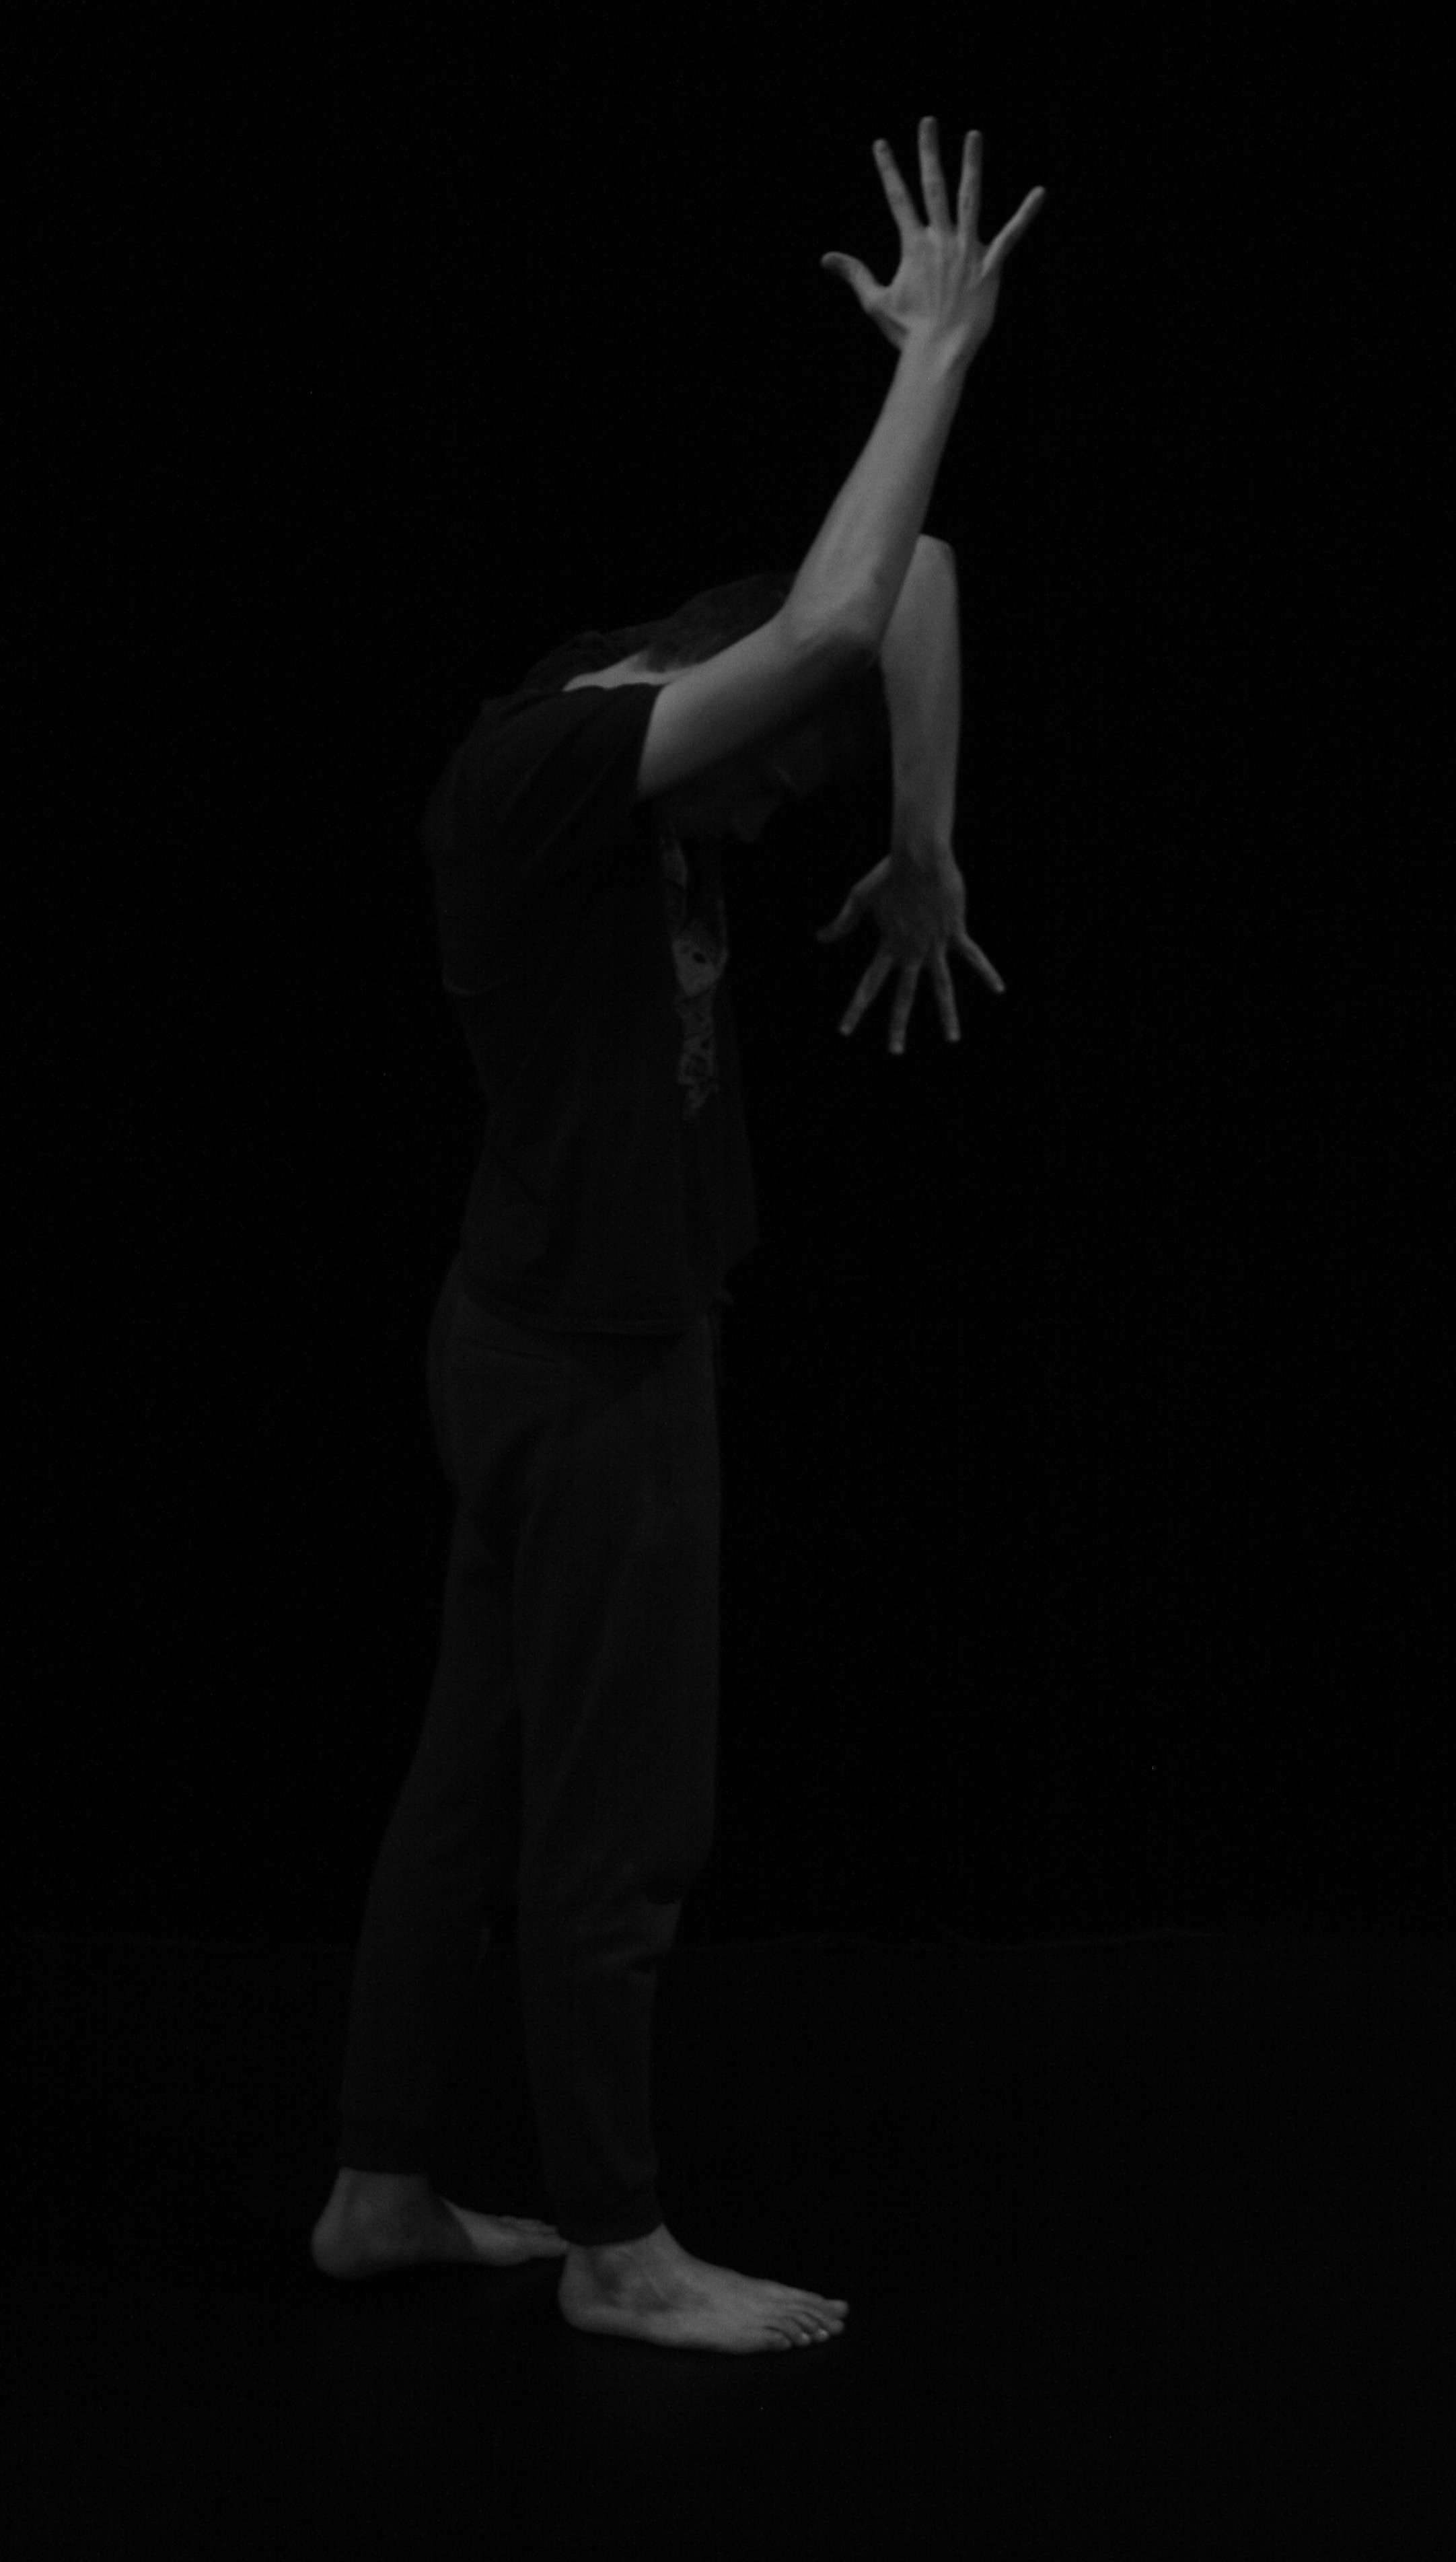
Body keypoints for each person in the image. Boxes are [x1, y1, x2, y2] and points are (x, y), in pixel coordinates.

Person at [309, 118, 1045, 2353]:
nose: (777, 805)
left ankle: (379, 2195)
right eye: (774, 781)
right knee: (619, 1824)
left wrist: (924, 838)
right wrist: (936, 352)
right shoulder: (532, 786)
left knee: (469, 1783)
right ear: (673, 754)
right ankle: (620, 2251)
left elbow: (905, 585)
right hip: (590, 1361)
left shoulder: (656, 681)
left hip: (529, 1334)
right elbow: (834, 617)